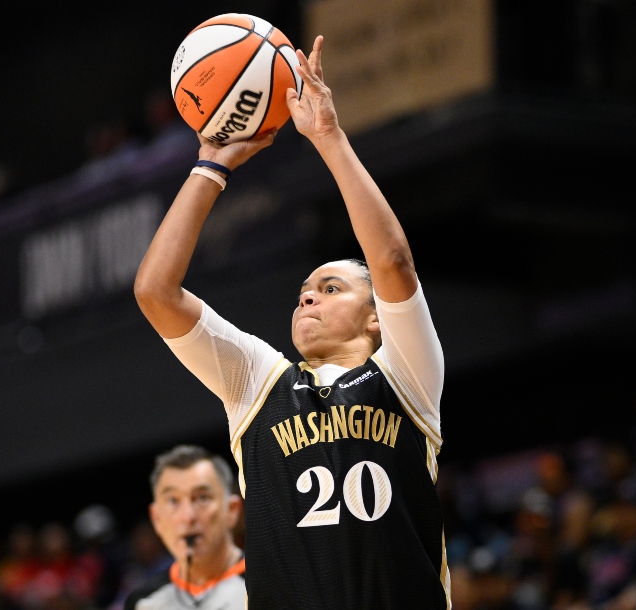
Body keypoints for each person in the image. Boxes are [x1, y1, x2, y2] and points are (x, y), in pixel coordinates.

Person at [135, 35, 448, 610]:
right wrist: (211, 165)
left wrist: (328, 138)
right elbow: (156, 293)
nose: (308, 300)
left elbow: (393, 262)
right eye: (303, 294)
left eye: (331, 289)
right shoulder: (258, 384)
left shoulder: (407, 375)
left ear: (376, 317)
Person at [124, 446, 245, 610]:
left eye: (202, 498)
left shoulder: (272, 582)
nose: (188, 516)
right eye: (173, 501)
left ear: (232, 510)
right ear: (156, 519)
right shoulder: (143, 603)